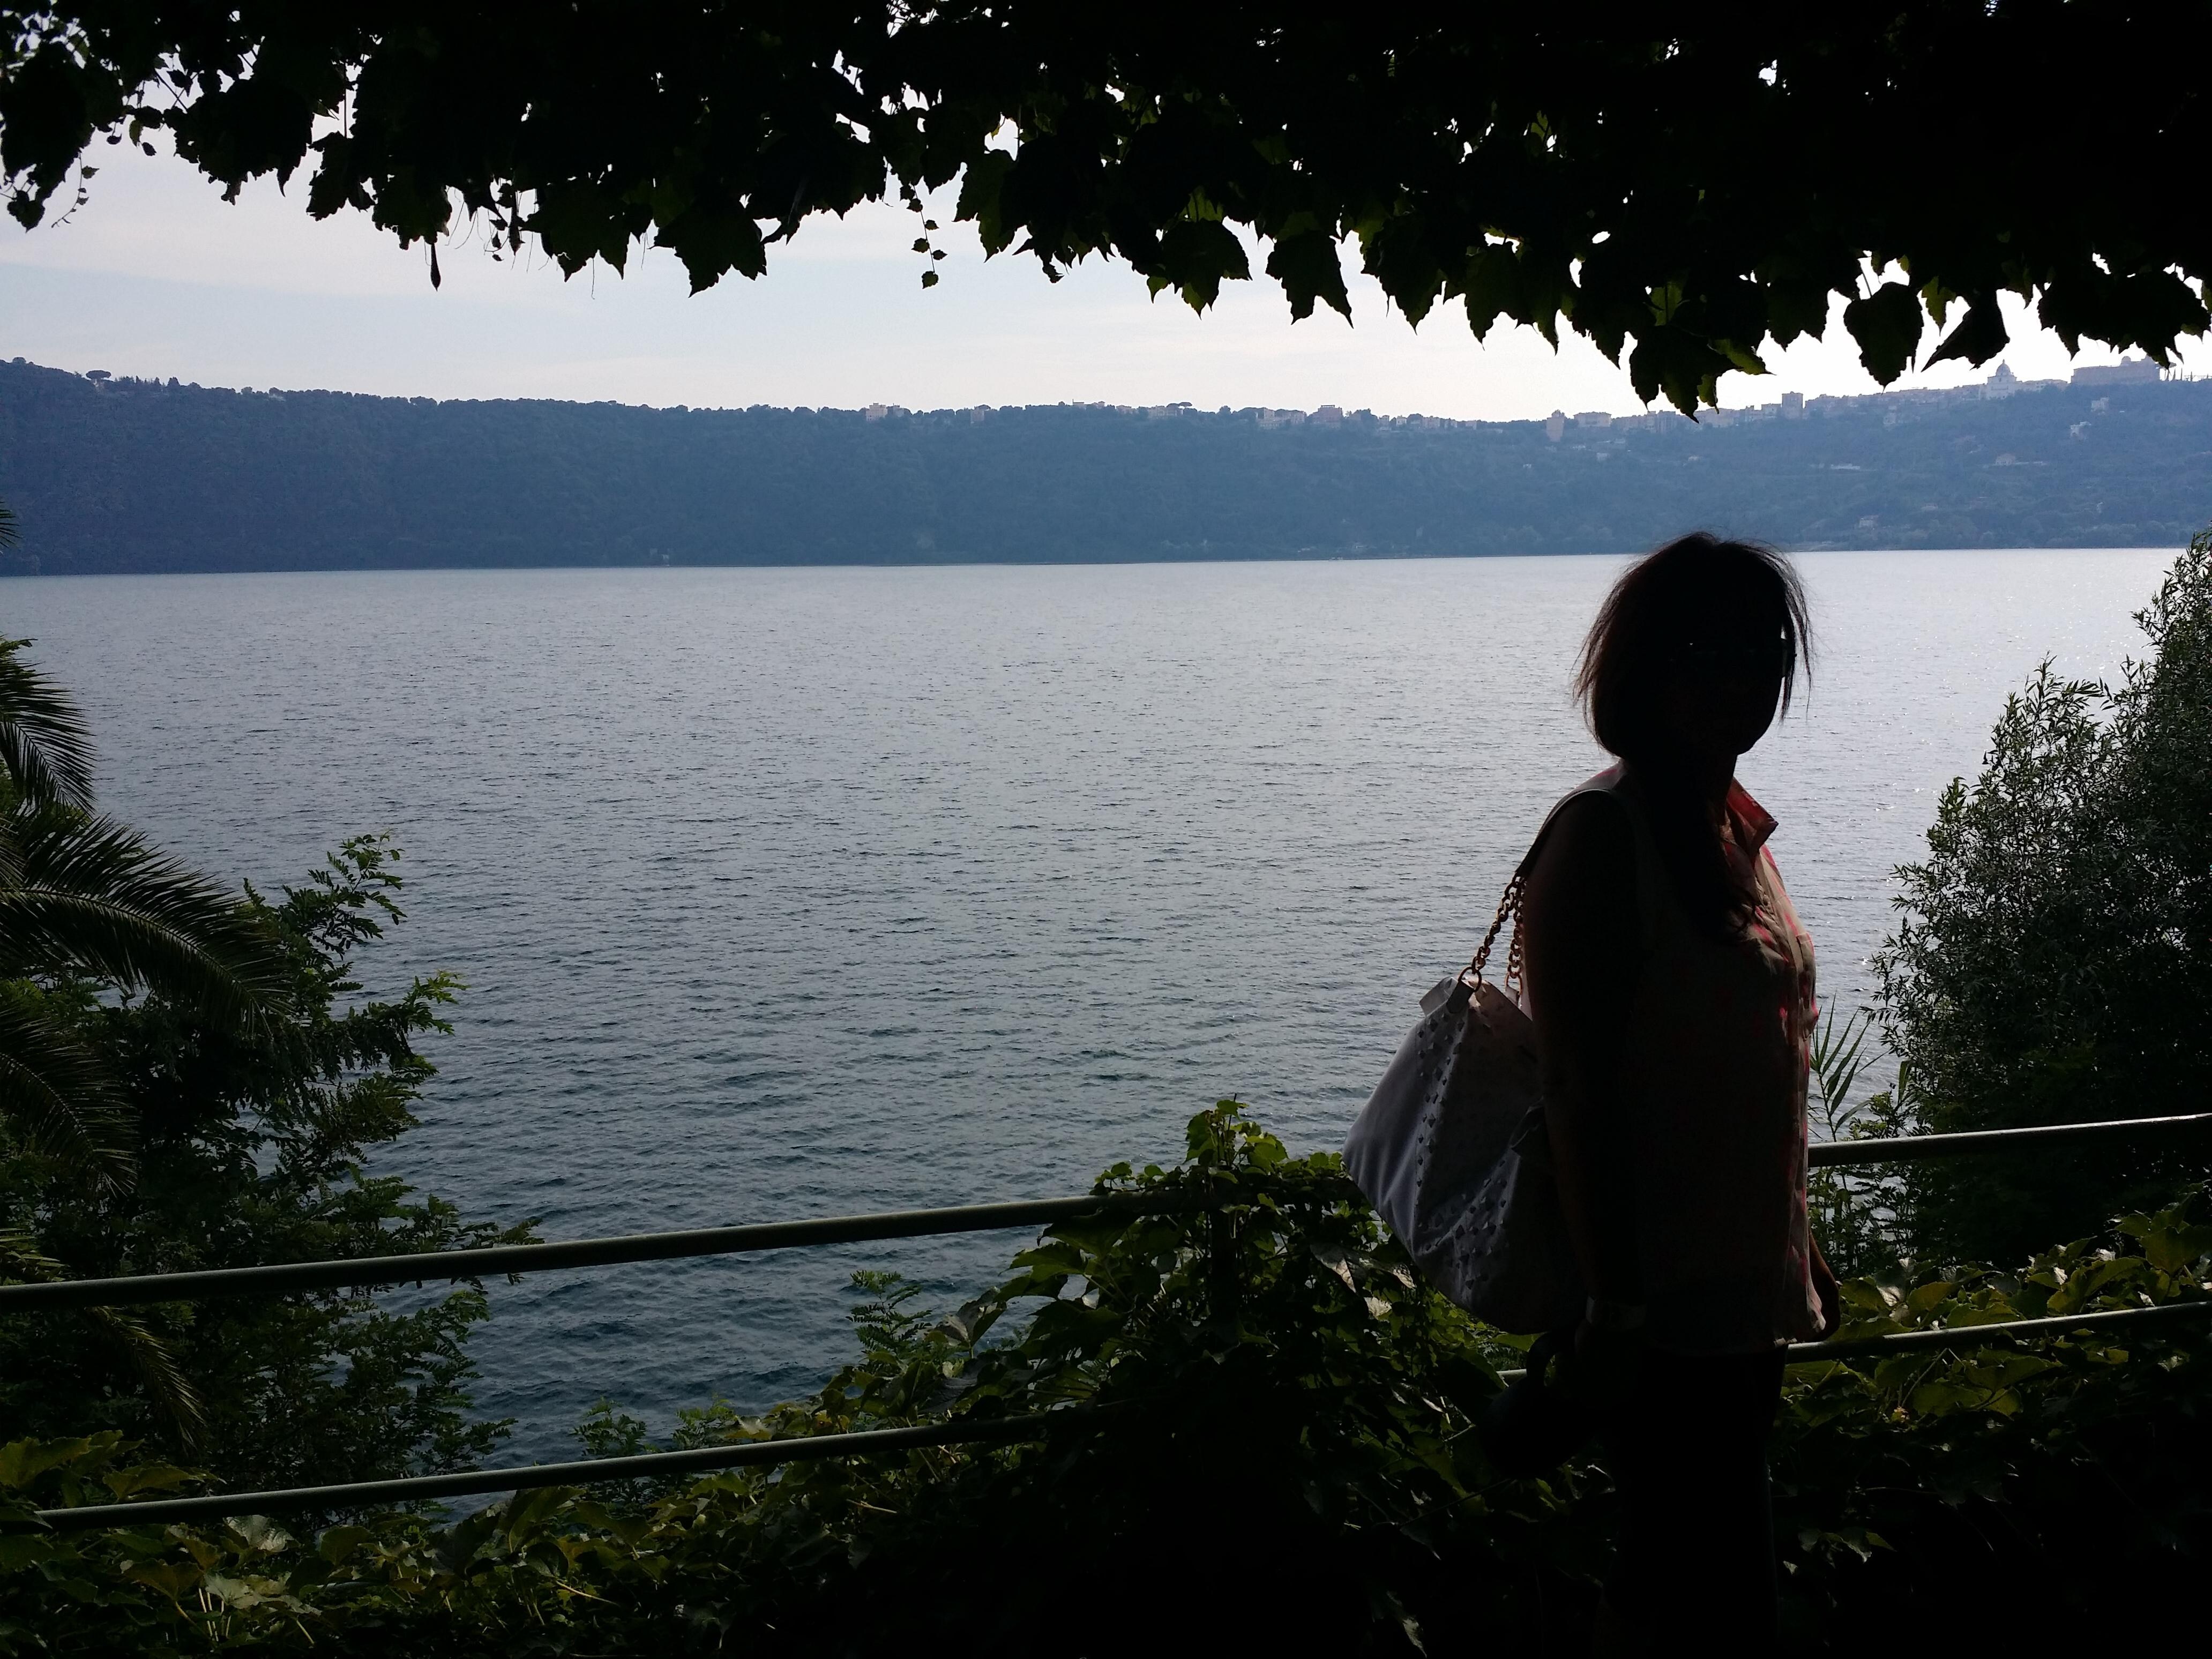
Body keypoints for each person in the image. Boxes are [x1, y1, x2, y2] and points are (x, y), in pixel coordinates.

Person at [1518, 533, 1842, 1653]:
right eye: (1703, 648)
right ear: (1644, 665)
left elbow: (1741, 1063)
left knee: (1672, 1578)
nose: (1737, 679)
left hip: (1738, 1295)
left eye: (1760, 651)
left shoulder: (1732, 830)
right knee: (1717, 1602)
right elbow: (1577, 1084)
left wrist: (1798, 1243)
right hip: (1657, 1311)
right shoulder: (1602, 840)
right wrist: (1613, 1307)